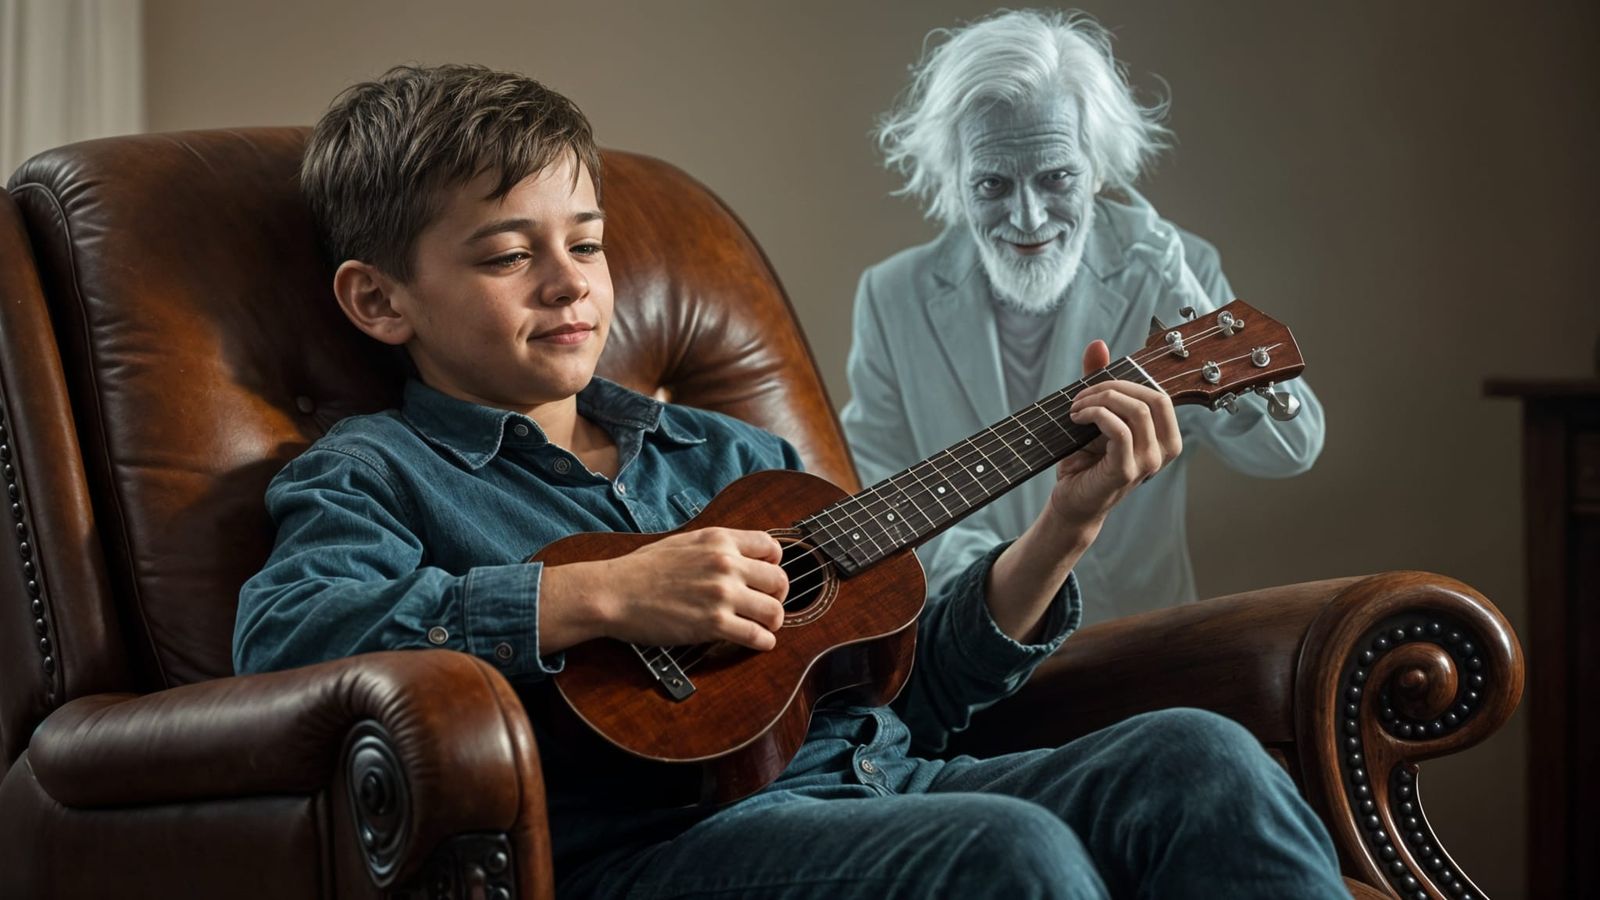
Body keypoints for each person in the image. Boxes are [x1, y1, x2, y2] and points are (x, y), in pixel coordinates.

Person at [234, 63, 1348, 898]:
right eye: (508, 255)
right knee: (1003, 850)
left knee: (1202, 755)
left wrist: (1066, 522)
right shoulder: (373, 473)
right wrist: (600, 594)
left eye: (587, 243)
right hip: (659, 846)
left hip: (888, 787)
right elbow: (288, 638)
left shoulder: (734, 460)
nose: (569, 284)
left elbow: (910, 696)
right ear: (380, 301)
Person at [842, 9, 1326, 625]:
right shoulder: (891, 295)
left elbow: (1291, 450)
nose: (1028, 218)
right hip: (967, 637)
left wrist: (1184, 289)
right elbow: (875, 490)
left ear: (1097, 167)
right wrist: (1009, 582)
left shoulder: (1169, 268)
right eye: (992, 184)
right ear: (953, 179)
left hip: (1135, 641)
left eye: (1056, 177)